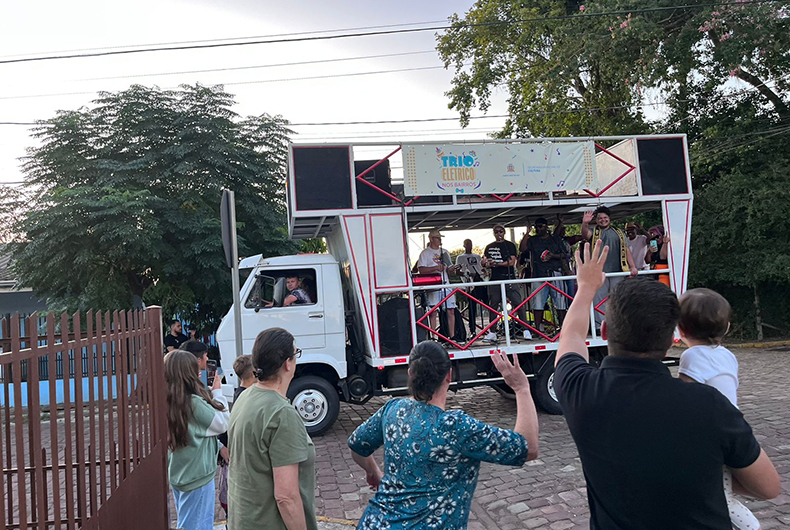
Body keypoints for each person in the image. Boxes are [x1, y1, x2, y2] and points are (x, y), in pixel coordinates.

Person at [553, 240, 780, 530]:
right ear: (670, 338)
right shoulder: (709, 404)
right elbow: (768, 487)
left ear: (605, 330)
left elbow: (571, 337)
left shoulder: (579, 389)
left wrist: (586, 287)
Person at [348, 341, 538, 530]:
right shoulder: (455, 427)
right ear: (449, 375)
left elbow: (357, 445)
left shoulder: (393, 410)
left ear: (410, 374)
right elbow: (527, 448)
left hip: (374, 523)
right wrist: (521, 389)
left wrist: (373, 472)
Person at [678, 288, 761, 530]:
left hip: (711, 435)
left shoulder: (691, 357)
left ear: (681, 330)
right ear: (726, 328)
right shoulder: (727, 355)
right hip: (733, 427)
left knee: (723, 498)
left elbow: (687, 397)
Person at [227, 328, 317, 530]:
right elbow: (286, 497)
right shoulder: (281, 413)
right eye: (296, 353)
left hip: (244, 520)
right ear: (287, 363)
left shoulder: (245, 397)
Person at [165, 349, 230, 530]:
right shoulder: (193, 403)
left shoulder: (169, 400)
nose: (199, 372)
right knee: (197, 525)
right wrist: (218, 393)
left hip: (180, 472)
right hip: (198, 476)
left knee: (188, 521)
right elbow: (223, 423)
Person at [580, 207, 638, 331]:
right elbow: (585, 234)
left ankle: (617, 324)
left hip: (617, 271)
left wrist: (632, 266)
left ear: (609, 218)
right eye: (600, 218)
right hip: (598, 272)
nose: (603, 220)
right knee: (599, 299)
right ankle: (600, 327)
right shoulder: (594, 231)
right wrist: (585, 223)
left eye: (605, 218)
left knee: (617, 298)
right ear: (596, 220)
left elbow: (627, 250)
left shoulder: (618, 232)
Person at [525, 217, 569, 332]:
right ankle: (538, 328)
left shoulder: (555, 239)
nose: (538, 229)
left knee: (560, 301)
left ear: (546, 227)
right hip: (538, 274)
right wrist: (527, 233)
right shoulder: (533, 240)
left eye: (540, 226)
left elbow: (565, 254)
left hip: (555, 272)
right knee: (538, 302)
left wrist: (553, 255)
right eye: (536, 227)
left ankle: (563, 327)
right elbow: (522, 248)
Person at [416, 229, 459, 341]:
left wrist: (452, 269)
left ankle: (452, 337)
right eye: (437, 238)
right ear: (431, 239)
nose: (440, 240)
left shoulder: (444, 252)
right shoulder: (425, 253)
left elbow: (449, 269)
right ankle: (433, 337)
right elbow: (421, 270)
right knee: (433, 312)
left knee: (451, 309)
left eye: (440, 238)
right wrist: (435, 268)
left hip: (446, 283)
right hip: (434, 285)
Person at [483, 224, 527, 328]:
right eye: (496, 232)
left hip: (509, 278)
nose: (498, 233)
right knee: (493, 305)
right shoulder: (489, 246)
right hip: (494, 279)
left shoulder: (510, 245)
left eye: (500, 231)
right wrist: (486, 263)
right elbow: (484, 260)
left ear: (504, 232)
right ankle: (493, 330)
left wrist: (497, 264)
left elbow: (511, 262)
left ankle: (525, 329)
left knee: (518, 303)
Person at [455, 238, 486, 336]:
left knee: (488, 304)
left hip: (480, 282)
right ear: (464, 245)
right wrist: (467, 274)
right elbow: (457, 272)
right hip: (469, 284)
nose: (469, 246)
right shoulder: (460, 258)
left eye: (470, 244)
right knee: (472, 308)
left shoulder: (477, 257)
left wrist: (483, 273)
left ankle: (492, 328)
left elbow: (483, 269)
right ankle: (472, 330)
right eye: (467, 244)